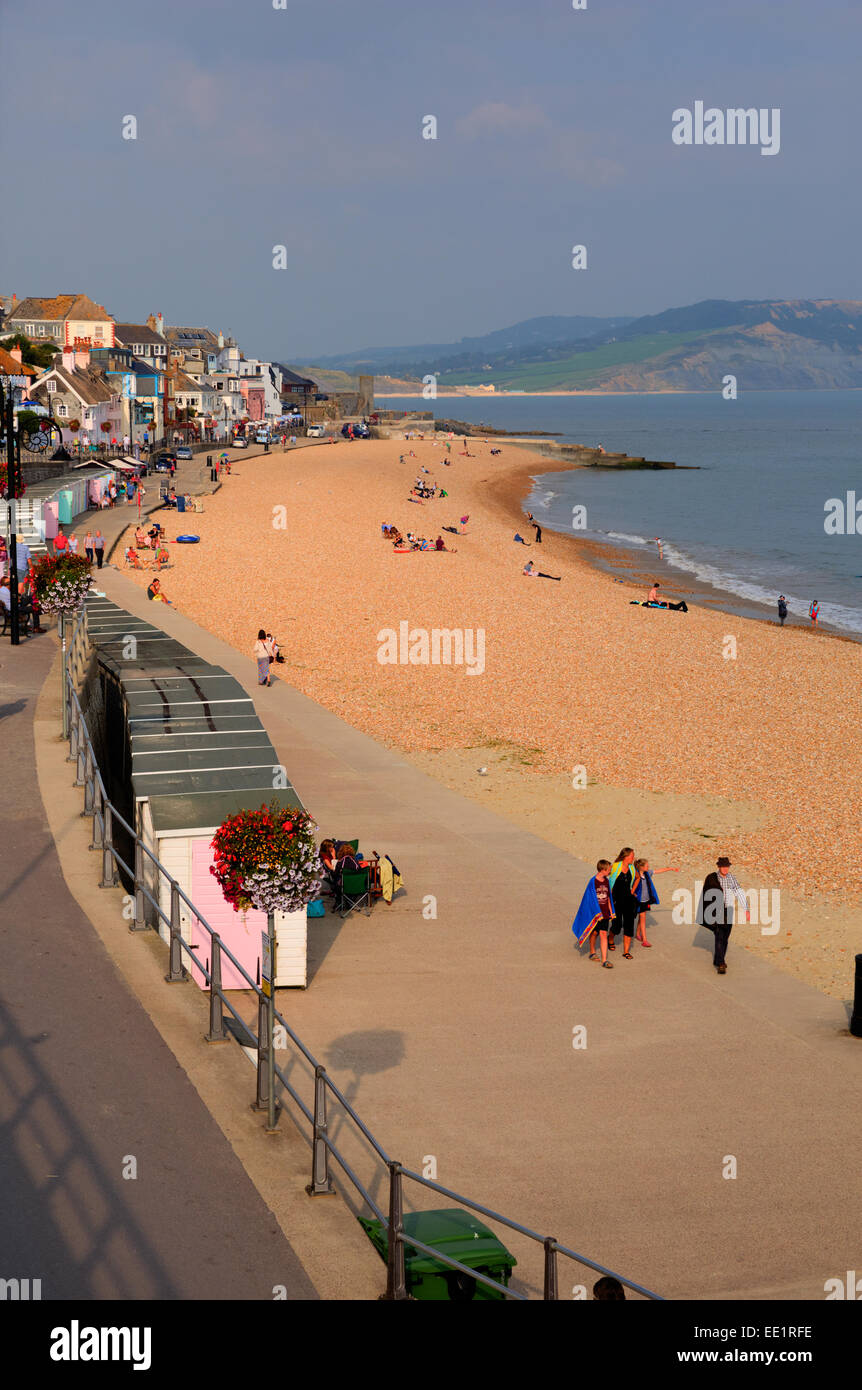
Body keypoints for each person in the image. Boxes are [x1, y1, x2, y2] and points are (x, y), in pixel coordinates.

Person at [696, 856, 750, 974]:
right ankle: (721, 963)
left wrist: (746, 908)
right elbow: (706, 895)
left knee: (725, 936)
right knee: (719, 935)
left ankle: (717, 959)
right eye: (723, 866)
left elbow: (738, 892)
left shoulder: (731, 878)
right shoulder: (712, 878)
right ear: (719, 867)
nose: (725, 869)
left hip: (729, 910)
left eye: (727, 866)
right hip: (717, 911)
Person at [571, 860, 615, 969]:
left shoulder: (606, 881)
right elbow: (589, 899)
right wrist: (596, 912)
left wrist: (611, 911)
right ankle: (592, 952)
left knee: (603, 934)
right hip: (595, 914)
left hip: (604, 913)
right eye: (609, 869)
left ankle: (604, 960)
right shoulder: (593, 882)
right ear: (603, 870)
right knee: (594, 933)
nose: (610, 871)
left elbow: (608, 896)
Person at [632, 857, 677, 947]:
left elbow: (659, 871)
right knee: (642, 917)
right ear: (641, 867)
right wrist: (633, 894)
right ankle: (643, 939)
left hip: (646, 900)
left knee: (642, 917)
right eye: (647, 865)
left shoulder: (647, 873)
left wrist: (670, 869)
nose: (648, 867)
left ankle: (639, 935)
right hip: (638, 900)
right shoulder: (635, 875)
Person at [609, 849, 639, 958]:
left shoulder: (632, 868)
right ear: (625, 856)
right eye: (632, 856)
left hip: (629, 901)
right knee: (617, 926)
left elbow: (638, 878)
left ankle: (626, 951)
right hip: (616, 901)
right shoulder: (615, 866)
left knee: (629, 925)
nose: (633, 858)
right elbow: (604, 874)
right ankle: (610, 938)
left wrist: (633, 890)